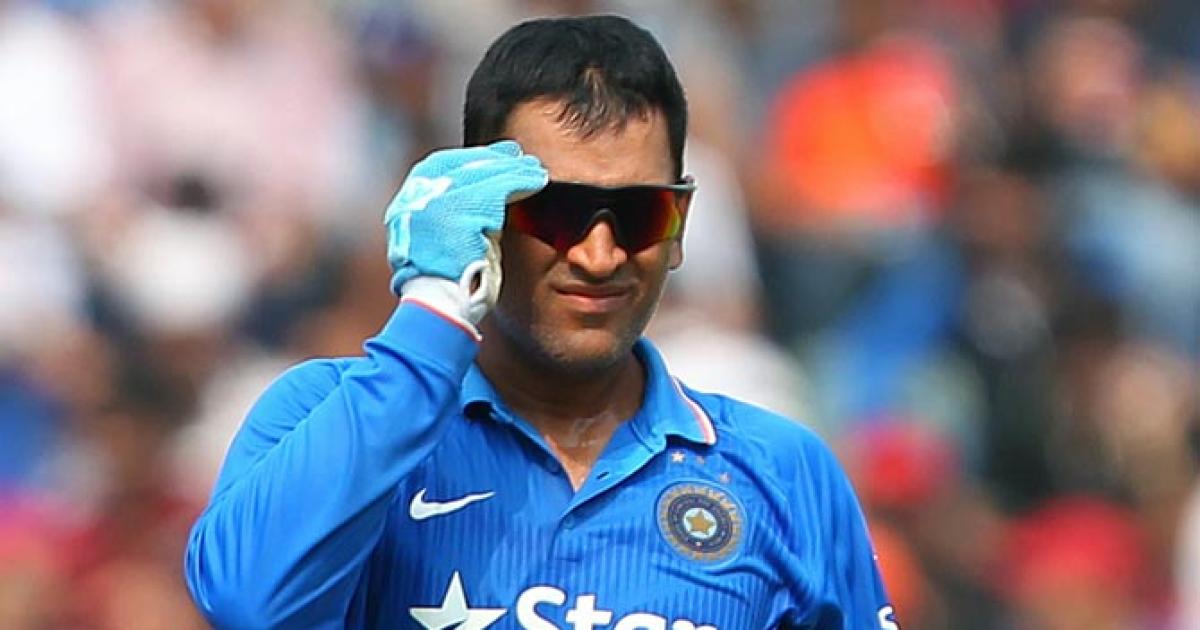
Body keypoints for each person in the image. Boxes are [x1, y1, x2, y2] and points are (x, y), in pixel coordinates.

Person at [184, 14, 896, 629]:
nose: (598, 255)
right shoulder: (318, 413)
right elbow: (248, 604)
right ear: (483, 215)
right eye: (556, 211)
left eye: (641, 213)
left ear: (681, 224)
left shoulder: (783, 472)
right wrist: (433, 307)